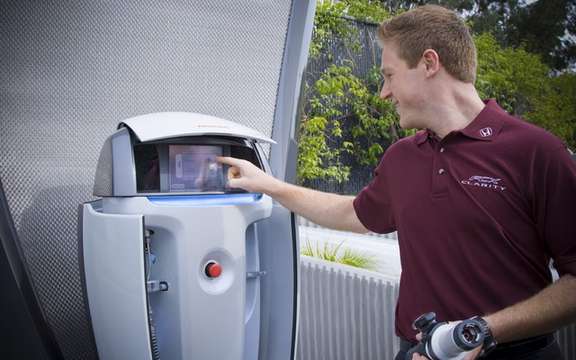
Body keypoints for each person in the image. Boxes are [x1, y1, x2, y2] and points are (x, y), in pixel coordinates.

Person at [218, 5, 576, 360]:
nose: (383, 92)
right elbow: (351, 214)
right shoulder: (403, 158)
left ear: (429, 63)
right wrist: (266, 184)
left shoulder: (535, 152)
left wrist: (481, 331)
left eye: (389, 75)